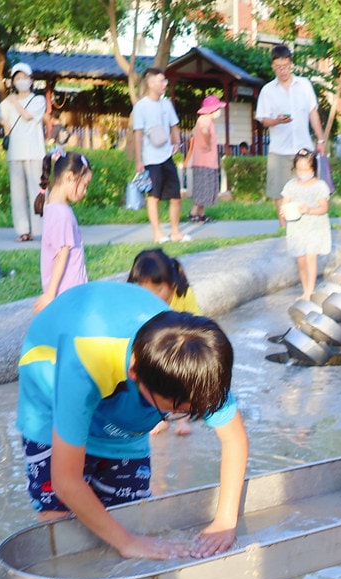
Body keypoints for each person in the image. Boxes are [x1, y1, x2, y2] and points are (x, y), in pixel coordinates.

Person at [16, 281, 249, 579]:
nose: (183, 416)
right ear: (140, 375)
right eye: (174, 410)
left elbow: (234, 439)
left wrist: (225, 519)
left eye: (189, 412)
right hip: (51, 382)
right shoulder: (87, 357)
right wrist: (124, 542)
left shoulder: (192, 363)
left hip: (125, 414)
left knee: (132, 518)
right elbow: (66, 481)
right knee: (59, 527)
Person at [127, 249, 201, 435]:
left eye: (158, 289)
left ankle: (183, 418)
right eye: (145, 290)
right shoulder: (138, 300)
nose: (152, 296)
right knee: (151, 381)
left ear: (172, 284)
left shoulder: (184, 294)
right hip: (155, 350)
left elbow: (197, 323)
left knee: (183, 382)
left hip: (180, 348)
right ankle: (158, 418)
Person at [255, 45, 326, 228]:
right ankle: (284, 227)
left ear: (291, 64)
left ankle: (305, 224)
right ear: (273, 66)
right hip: (279, 148)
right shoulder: (268, 90)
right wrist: (277, 121)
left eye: (285, 66)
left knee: (307, 188)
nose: (282, 71)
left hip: (303, 148)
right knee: (279, 191)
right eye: (278, 67)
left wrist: (320, 139)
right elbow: (263, 120)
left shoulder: (304, 85)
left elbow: (313, 113)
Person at [132, 68, 188, 244]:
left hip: (166, 156)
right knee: (154, 197)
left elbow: (174, 125)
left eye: (165, 81)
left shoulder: (166, 104)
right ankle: (158, 234)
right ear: (150, 84)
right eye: (161, 81)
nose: (164, 84)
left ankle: (175, 232)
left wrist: (177, 143)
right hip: (150, 158)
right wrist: (139, 160)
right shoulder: (141, 106)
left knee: (176, 196)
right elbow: (138, 133)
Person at [0, 62, 45, 242]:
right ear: (13, 81)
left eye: (24, 77)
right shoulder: (8, 102)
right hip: (15, 153)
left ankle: (40, 229)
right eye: (17, 78)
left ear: (31, 80)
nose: (21, 81)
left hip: (34, 152)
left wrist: (15, 103)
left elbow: (28, 116)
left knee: (36, 191)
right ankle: (23, 231)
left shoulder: (38, 100)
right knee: (18, 194)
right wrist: (5, 123)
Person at [33, 151, 92, 313]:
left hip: (64, 292)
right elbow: (62, 255)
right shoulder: (63, 214)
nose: (85, 191)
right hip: (70, 292)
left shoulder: (51, 206)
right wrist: (50, 295)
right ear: (69, 177)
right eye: (84, 185)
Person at [281, 149, 332, 300]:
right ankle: (305, 290)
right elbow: (285, 203)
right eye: (299, 170)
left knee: (311, 258)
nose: (302, 173)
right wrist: (284, 211)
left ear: (314, 169)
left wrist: (309, 209)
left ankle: (310, 291)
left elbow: (324, 208)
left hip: (315, 227)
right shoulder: (291, 185)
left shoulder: (320, 186)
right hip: (297, 229)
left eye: (306, 169)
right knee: (301, 261)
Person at [188, 94, 226, 223]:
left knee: (204, 187)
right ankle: (194, 213)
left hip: (204, 160)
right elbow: (204, 131)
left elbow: (193, 132)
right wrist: (207, 143)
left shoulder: (202, 119)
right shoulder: (205, 120)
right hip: (205, 161)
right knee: (204, 188)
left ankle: (201, 214)